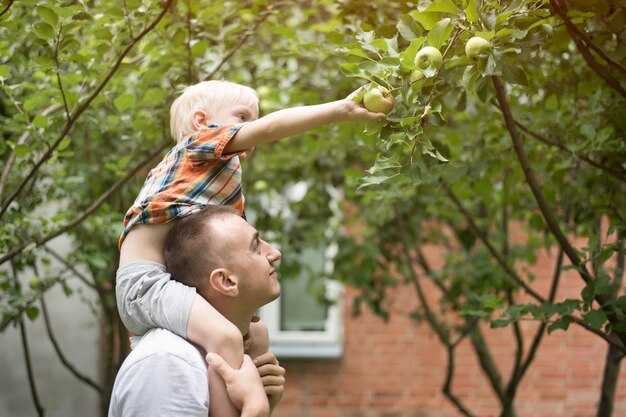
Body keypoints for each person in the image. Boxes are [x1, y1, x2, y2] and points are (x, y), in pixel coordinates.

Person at [115, 79, 386, 416]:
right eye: (242, 117)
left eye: (252, 118)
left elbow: (226, 247)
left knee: (255, 334)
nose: (250, 129)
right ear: (202, 120)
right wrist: (341, 109)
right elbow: (272, 127)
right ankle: (233, 409)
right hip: (145, 285)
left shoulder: (220, 178)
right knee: (226, 337)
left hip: (172, 282)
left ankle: (251, 395)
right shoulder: (196, 147)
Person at [109, 206, 286, 417]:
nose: (275, 253)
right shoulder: (169, 363)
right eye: (256, 247)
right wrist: (256, 409)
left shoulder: (229, 355)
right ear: (226, 281)